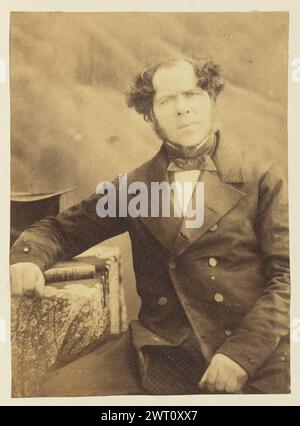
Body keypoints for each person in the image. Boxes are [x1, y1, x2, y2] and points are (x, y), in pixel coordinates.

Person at [10, 55, 290, 395]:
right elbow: (58, 231)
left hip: (252, 349)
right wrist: (26, 258)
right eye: (168, 100)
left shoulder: (261, 179)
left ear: (211, 99)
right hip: (166, 351)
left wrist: (242, 355)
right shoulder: (135, 187)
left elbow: (289, 276)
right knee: (49, 395)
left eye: (192, 95)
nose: (183, 108)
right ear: (151, 114)